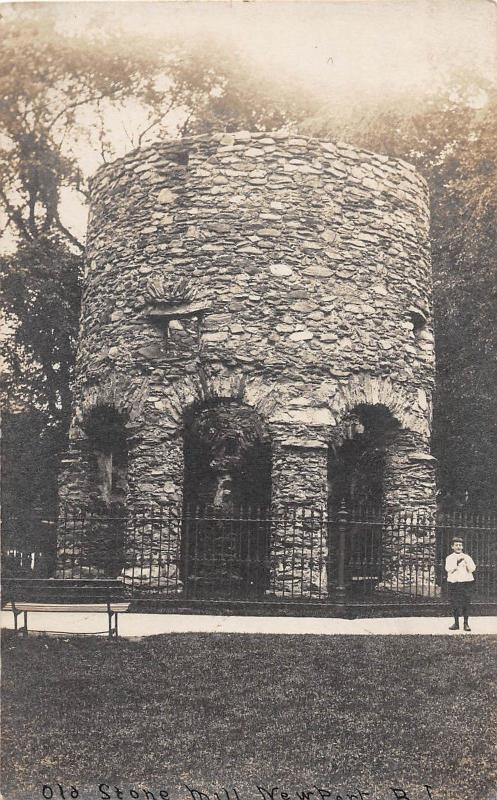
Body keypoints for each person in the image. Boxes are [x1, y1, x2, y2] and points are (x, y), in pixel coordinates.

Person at [445, 536, 476, 631]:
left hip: (466, 583)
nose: (458, 547)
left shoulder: (467, 557)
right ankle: (456, 623)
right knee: (454, 603)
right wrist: (456, 563)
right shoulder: (449, 558)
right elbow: (448, 569)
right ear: (452, 547)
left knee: (466, 603)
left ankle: (466, 623)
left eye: (460, 545)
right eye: (456, 545)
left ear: (462, 547)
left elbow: (473, 569)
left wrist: (466, 563)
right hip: (454, 583)